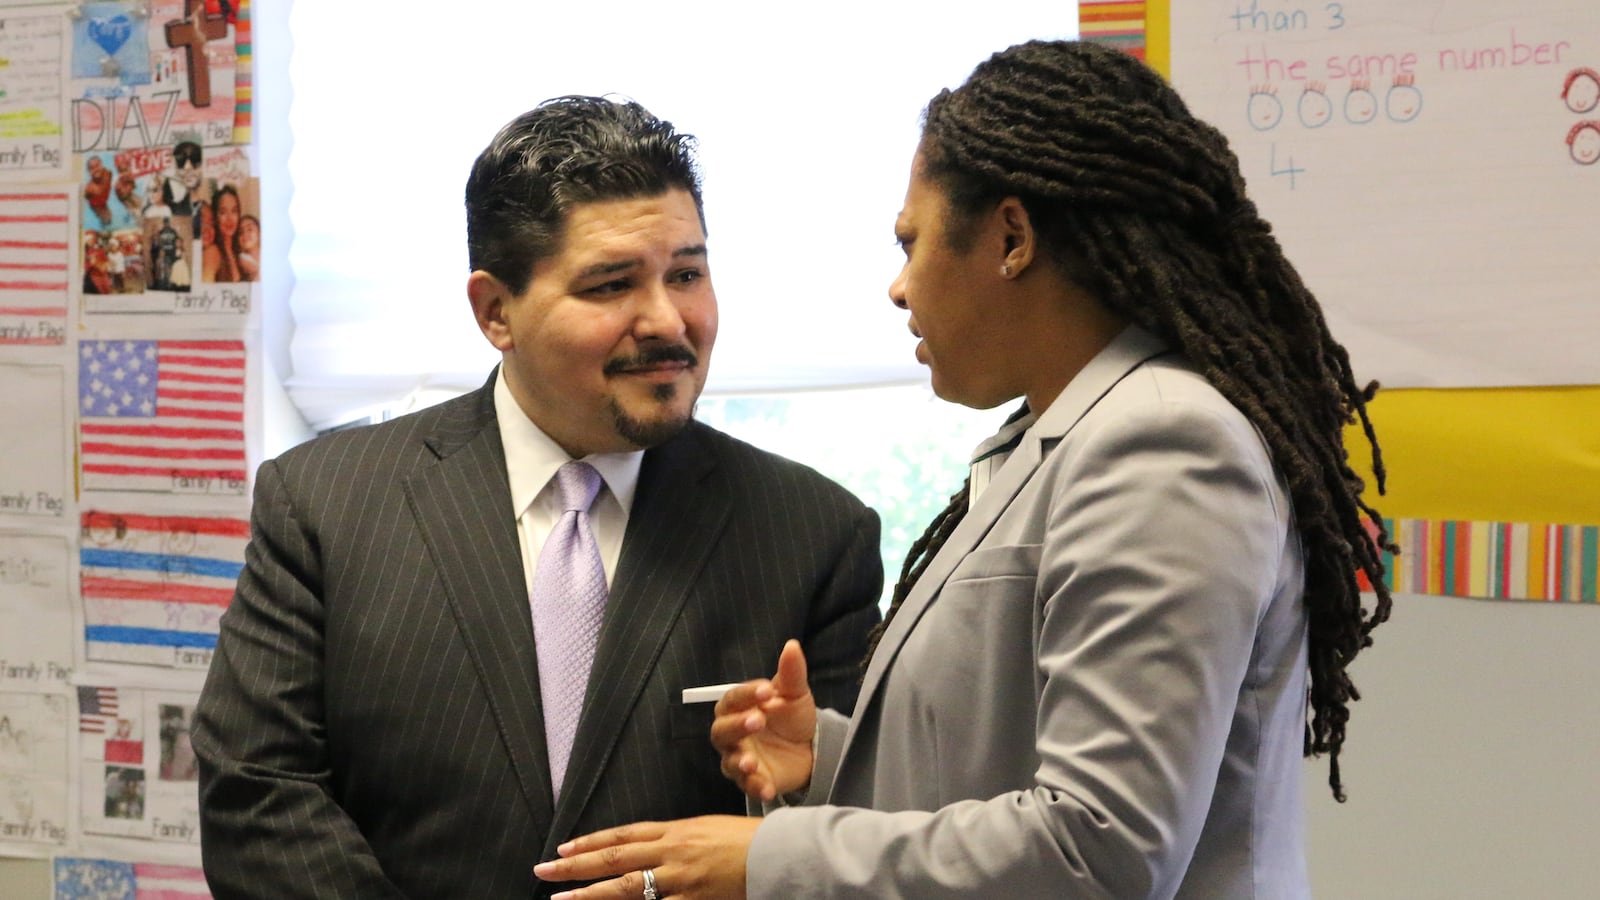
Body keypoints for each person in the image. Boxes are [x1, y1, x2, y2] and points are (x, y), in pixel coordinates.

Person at [536, 40, 1395, 899]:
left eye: (912, 242)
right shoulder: (1062, 436)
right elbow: (1005, 759)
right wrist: (827, 756)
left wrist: (765, 861)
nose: (900, 287)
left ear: (1012, 238)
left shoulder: (1164, 445)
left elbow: (1098, 851)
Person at [191, 95, 884, 899]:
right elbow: (259, 794)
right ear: (496, 311)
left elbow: (848, 835)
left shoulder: (812, 534)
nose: (667, 320)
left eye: (687, 274)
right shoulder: (325, 503)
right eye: (611, 285)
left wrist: (792, 795)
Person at [202, 185, 242, 282]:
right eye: (223, 212)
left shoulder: (238, 250)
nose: (230, 218)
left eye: (234, 211)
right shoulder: (212, 252)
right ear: (215, 217)